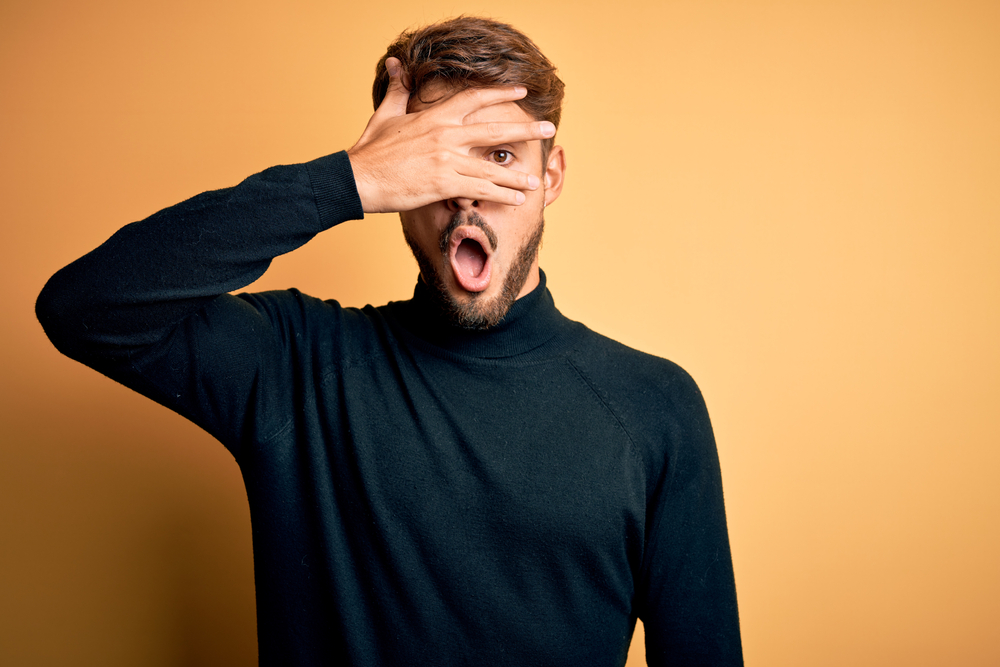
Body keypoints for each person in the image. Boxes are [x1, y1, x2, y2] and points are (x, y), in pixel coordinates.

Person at [37, 16, 742, 667]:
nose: (466, 193)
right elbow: (82, 306)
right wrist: (345, 181)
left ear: (549, 177)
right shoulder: (297, 364)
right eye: (435, 162)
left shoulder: (654, 406)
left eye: (499, 156)